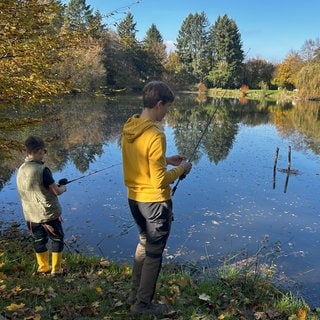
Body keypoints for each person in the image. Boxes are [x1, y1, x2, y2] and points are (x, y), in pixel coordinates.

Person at [121, 81, 192, 315]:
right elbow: (159, 181)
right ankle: (142, 305)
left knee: (143, 243)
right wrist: (182, 169)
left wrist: (166, 159)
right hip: (154, 204)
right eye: (167, 107)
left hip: (135, 200)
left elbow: (144, 163)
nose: (167, 112)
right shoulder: (155, 135)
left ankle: (134, 294)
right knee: (153, 253)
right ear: (159, 104)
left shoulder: (130, 127)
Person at [16, 135, 67, 276]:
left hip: (31, 215)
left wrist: (54, 185)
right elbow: (56, 191)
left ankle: (43, 268)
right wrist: (63, 187)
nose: (45, 154)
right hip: (48, 214)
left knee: (39, 239)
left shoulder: (21, 169)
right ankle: (56, 270)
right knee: (57, 238)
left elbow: (37, 188)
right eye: (44, 151)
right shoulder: (43, 169)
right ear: (39, 151)